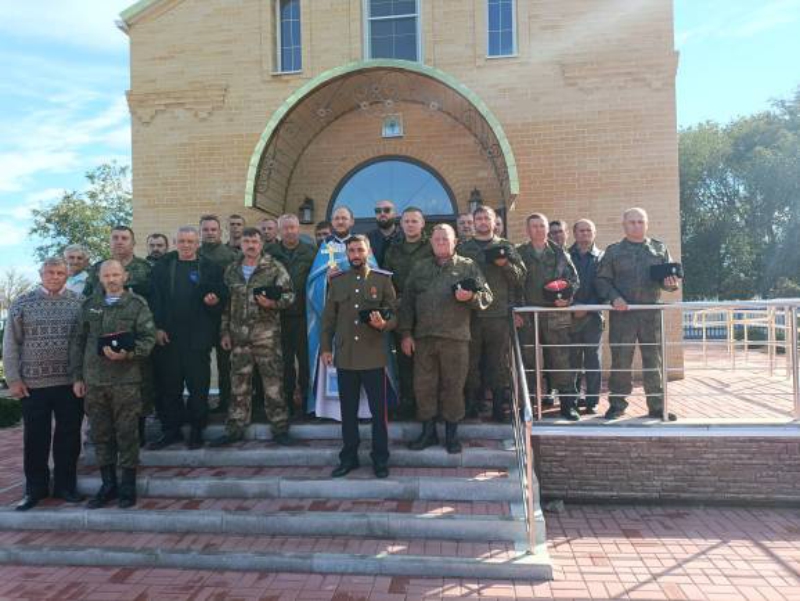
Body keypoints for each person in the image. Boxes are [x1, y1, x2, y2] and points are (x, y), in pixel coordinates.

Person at [71, 260, 156, 509]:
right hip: (95, 382)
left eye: (116, 274)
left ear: (125, 276)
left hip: (126, 381)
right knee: (101, 435)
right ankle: (108, 484)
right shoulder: (89, 305)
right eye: (107, 275)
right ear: (100, 278)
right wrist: (77, 377)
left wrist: (128, 354)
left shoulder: (137, 304)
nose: (111, 279)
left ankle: (127, 486)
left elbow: (148, 339)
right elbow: (78, 343)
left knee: (127, 434)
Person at [399, 225, 492, 453]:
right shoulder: (420, 267)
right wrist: (406, 334)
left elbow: (487, 296)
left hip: (455, 338)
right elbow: (407, 303)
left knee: (453, 387)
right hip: (424, 339)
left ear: (455, 241)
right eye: (437, 239)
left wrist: (471, 297)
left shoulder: (467, 266)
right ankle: (428, 433)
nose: (441, 242)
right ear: (431, 242)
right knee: (424, 387)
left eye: (446, 238)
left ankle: (452, 435)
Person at [3, 257, 84, 511]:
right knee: (35, 438)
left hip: (69, 383)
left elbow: (84, 344)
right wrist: (13, 379)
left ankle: (65, 486)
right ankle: (35, 489)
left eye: (60, 272)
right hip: (33, 384)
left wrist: (82, 377)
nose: (55, 276)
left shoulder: (79, 303)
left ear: (67, 275)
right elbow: (10, 343)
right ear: (41, 274)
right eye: (50, 272)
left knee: (69, 438)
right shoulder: (22, 302)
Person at [210, 227, 296, 446]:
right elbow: (226, 305)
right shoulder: (232, 270)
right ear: (240, 244)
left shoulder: (274, 267)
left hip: (266, 337)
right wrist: (224, 332)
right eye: (246, 241)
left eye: (254, 241)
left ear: (261, 244)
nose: (250, 245)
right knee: (238, 385)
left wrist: (273, 303)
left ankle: (280, 428)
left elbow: (290, 295)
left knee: (273, 383)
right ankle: (235, 428)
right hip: (238, 337)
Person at [321, 235, 397, 478]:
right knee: (349, 412)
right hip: (346, 356)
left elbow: (396, 315)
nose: (355, 255)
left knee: (378, 413)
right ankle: (349, 457)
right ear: (346, 253)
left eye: (359, 250)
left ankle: (380, 459)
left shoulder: (381, 280)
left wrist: (383, 324)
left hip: (373, 356)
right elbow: (328, 320)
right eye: (351, 251)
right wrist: (325, 348)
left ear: (368, 251)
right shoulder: (338, 282)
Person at [596, 207, 680, 421]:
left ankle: (657, 406)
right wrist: (614, 297)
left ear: (647, 224)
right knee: (621, 361)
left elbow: (669, 280)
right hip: (623, 315)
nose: (636, 225)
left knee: (654, 361)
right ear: (624, 225)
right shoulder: (613, 251)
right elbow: (602, 280)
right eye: (632, 222)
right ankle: (617, 405)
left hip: (650, 314)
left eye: (640, 222)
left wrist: (671, 284)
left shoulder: (659, 249)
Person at [149, 226, 227, 449]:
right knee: (169, 388)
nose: (186, 245)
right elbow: (154, 300)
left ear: (197, 243)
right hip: (168, 338)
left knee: (198, 387)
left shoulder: (210, 268)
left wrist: (214, 303)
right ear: (175, 242)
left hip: (197, 339)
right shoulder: (163, 267)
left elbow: (221, 299)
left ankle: (196, 430)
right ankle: (171, 430)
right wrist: (157, 327)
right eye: (182, 241)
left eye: (190, 241)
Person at [306, 206, 380, 420]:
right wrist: (325, 279)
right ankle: (330, 411)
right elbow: (311, 284)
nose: (340, 221)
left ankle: (364, 411)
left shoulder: (362, 245)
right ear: (332, 221)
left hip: (360, 317)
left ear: (351, 220)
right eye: (336, 218)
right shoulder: (325, 247)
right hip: (336, 317)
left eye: (344, 218)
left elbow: (375, 275)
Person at [457, 206, 526, 421]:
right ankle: (472, 405)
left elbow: (520, 277)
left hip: (498, 315)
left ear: (494, 221)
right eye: (479, 218)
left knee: (498, 364)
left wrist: (505, 265)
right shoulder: (464, 248)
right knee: (471, 363)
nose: (483, 221)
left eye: (487, 218)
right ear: (474, 222)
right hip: (471, 314)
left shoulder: (505, 246)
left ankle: (499, 407)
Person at [517, 213, 581, 421]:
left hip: (554, 315)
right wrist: (515, 310)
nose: (538, 230)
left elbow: (573, 279)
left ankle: (568, 405)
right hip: (527, 316)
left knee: (561, 361)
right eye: (533, 226)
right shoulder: (519, 253)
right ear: (527, 230)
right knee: (527, 362)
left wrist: (567, 298)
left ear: (547, 229)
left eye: (541, 226)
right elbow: (510, 284)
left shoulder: (559, 252)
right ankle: (527, 405)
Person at [383, 207, 434, 419]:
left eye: (414, 221)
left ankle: (428, 407)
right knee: (404, 360)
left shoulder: (432, 247)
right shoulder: (393, 250)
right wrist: (396, 301)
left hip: (428, 311)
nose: (410, 225)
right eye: (406, 221)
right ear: (401, 224)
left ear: (422, 224)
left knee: (428, 362)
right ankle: (407, 403)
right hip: (401, 310)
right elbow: (386, 280)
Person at [271, 214, 316, 417]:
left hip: (303, 317)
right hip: (278, 317)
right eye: (286, 228)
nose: (290, 231)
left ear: (299, 229)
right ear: (279, 231)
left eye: (293, 227)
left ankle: (307, 401)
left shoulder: (310, 252)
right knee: (284, 363)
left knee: (305, 362)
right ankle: (287, 401)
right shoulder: (269, 253)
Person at [199, 215, 238, 415]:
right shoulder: (194, 256)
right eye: (206, 230)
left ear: (220, 232)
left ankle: (226, 402)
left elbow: (235, 288)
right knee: (201, 363)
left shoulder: (230, 256)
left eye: (213, 229)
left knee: (226, 364)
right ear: (200, 232)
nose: (210, 233)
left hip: (224, 316)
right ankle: (201, 403)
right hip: (201, 318)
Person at [569, 219, 604, 414]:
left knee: (593, 360)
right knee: (572, 359)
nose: (584, 234)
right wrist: (572, 306)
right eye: (581, 230)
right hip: (570, 315)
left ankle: (592, 401)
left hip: (593, 318)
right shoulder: (565, 256)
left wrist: (587, 307)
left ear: (594, 233)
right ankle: (571, 399)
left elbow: (604, 285)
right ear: (574, 233)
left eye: (588, 230)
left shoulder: (602, 257)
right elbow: (561, 283)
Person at [83, 226, 152, 300]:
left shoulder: (147, 267)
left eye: (124, 238)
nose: (119, 242)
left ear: (133, 243)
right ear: (109, 242)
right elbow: (86, 297)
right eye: (115, 238)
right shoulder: (97, 268)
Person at [366, 200, 403, 267]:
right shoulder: (367, 239)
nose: (382, 213)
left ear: (395, 214)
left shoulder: (405, 236)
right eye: (378, 211)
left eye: (387, 210)